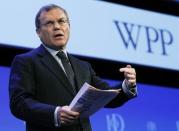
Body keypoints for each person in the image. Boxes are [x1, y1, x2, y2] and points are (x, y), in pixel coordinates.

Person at [9, 4, 137, 131]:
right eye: (49, 23)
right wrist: (55, 113)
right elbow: (19, 103)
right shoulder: (26, 61)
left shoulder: (83, 66)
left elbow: (106, 95)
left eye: (62, 21)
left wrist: (127, 85)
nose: (57, 27)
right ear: (38, 32)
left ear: (68, 26)